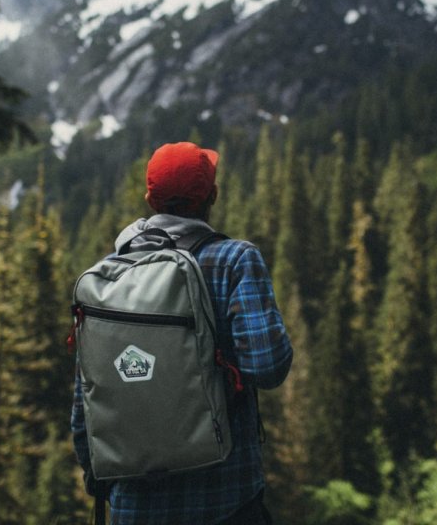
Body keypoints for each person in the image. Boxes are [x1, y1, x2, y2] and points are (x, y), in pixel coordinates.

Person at [71, 141, 293, 524]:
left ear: (150, 198)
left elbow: (85, 403)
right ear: (213, 195)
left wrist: (101, 479)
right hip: (228, 498)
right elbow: (268, 366)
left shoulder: (108, 274)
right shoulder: (234, 260)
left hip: (136, 505)